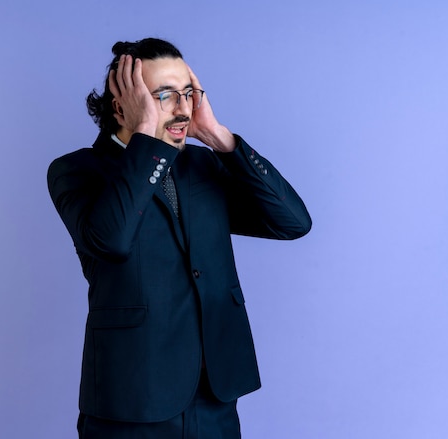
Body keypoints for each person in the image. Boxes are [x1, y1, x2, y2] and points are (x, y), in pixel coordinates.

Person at [47, 37, 312, 439]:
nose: (184, 108)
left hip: (215, 395)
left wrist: (222, 140)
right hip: (133, 400)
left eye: (188, 94)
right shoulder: (76, 171)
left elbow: (292, 222)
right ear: (123, 105)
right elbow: (111, 240)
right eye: (166, 95)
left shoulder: (205, 166)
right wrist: (147, 139)